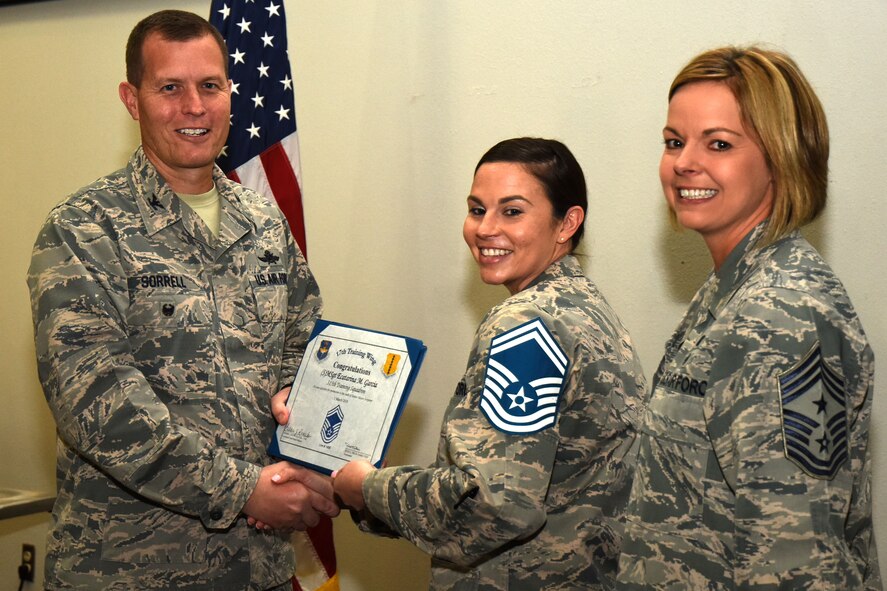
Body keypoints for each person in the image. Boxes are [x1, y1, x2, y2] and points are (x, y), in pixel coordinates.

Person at [27, 10, 338, 590]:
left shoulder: (266, 221)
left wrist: (307, 407)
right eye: (170, 87)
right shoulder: (83, 230)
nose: (194, 106)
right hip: (132, 570)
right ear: (132, 98)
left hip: (259, 568)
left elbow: (304, 340)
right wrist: (240, 490)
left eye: (210, 86)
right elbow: (98, 402)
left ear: (229, 92)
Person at [273, 138, 647, 589]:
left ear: (567, 222)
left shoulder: (526, 323)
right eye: (476, 209)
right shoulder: (582, 304)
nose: (486, 228)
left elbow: (495, 504)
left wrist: (368, 489)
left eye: (512, 211)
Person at [616, 47, 880, 589]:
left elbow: (796, 559)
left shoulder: (780, 314)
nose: (685, 162)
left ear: (782, 158)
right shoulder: (731, 287)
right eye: (674, 141)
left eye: (719, 143)